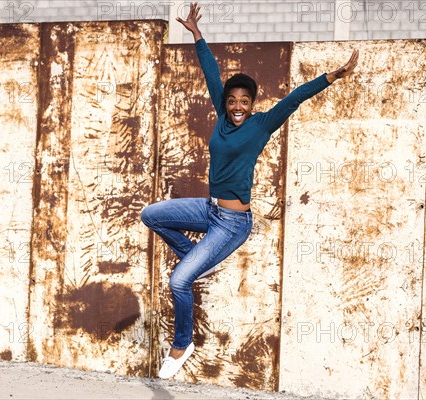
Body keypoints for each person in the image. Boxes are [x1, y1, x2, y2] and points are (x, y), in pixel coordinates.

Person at [141, 2, 359, 379]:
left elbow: (294, 98)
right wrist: (196, 34)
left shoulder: (261, 125)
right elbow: (211, 72)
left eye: (245, 101)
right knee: (151, 215)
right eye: (233, 100)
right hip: (208, 210)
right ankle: (196, 259)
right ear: (225, 103)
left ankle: (182, 343)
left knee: (179, 280)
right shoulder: (222, 118)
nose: (238, 106)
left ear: (252, 104)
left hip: (232, 222)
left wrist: (333, 76)